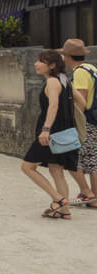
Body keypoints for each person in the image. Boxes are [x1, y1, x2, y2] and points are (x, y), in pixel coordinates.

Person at [20, 49, 79, 219]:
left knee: (27, 167)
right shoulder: (65, 80)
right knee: (56, 169)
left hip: (50, 133)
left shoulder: (52, 82)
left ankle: (59, 200)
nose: (36, 64)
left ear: (51, 66)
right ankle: (64, 211)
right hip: (63, 132)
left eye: (41, 61)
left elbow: (53, 106)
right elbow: (80, 102)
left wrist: (46, 129)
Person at [61, 38, 97, 206]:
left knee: (75, 157)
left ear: (68, 56)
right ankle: (94, 197)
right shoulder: (91, 68)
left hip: (86, 121)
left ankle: (85, 192)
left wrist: (73, 124)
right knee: (93, 159)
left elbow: (81, 101)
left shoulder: (79, 72)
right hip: (94, 120)